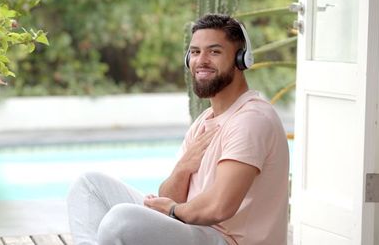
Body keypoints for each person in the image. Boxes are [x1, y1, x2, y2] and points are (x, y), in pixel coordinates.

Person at [66, 13, 289, 245]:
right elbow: (169, 197)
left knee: (121, 221)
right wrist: (183, 168)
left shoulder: (252, 119)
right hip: (196, 231)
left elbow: (220, 206)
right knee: (88, 185)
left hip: (228, 241)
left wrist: (173, 210)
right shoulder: (205, 121)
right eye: (195, 52)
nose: (201, 60)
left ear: (241, 60)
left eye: (214, 51)